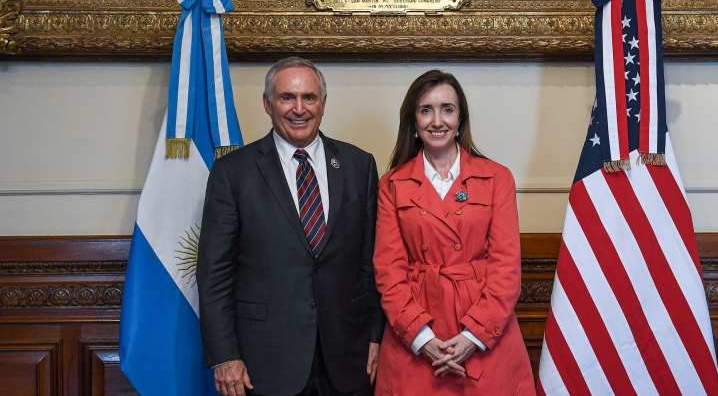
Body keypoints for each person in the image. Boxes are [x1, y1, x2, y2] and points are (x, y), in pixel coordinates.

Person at [197, 57, 386, 396]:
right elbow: (215, 275)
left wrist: (376, 336)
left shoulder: (360, 165)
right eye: (287, 98)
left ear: (323, 104)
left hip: (348, 358)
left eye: (309, 98)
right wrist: (225, 356)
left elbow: (369, 262)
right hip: (264, 363)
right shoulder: (233, 173)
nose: (299, 109)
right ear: (268, 104)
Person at [373, 70, 536, 395]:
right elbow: (388, 272)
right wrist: (424, 340)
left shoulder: (496, 178)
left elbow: (506, 268)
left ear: (461, 119)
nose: (437, 120)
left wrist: (472, 337)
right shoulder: (392, 184)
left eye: (447, 109)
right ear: (413, 121)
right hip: (416, 340)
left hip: (485, 334)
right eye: (426, 110)